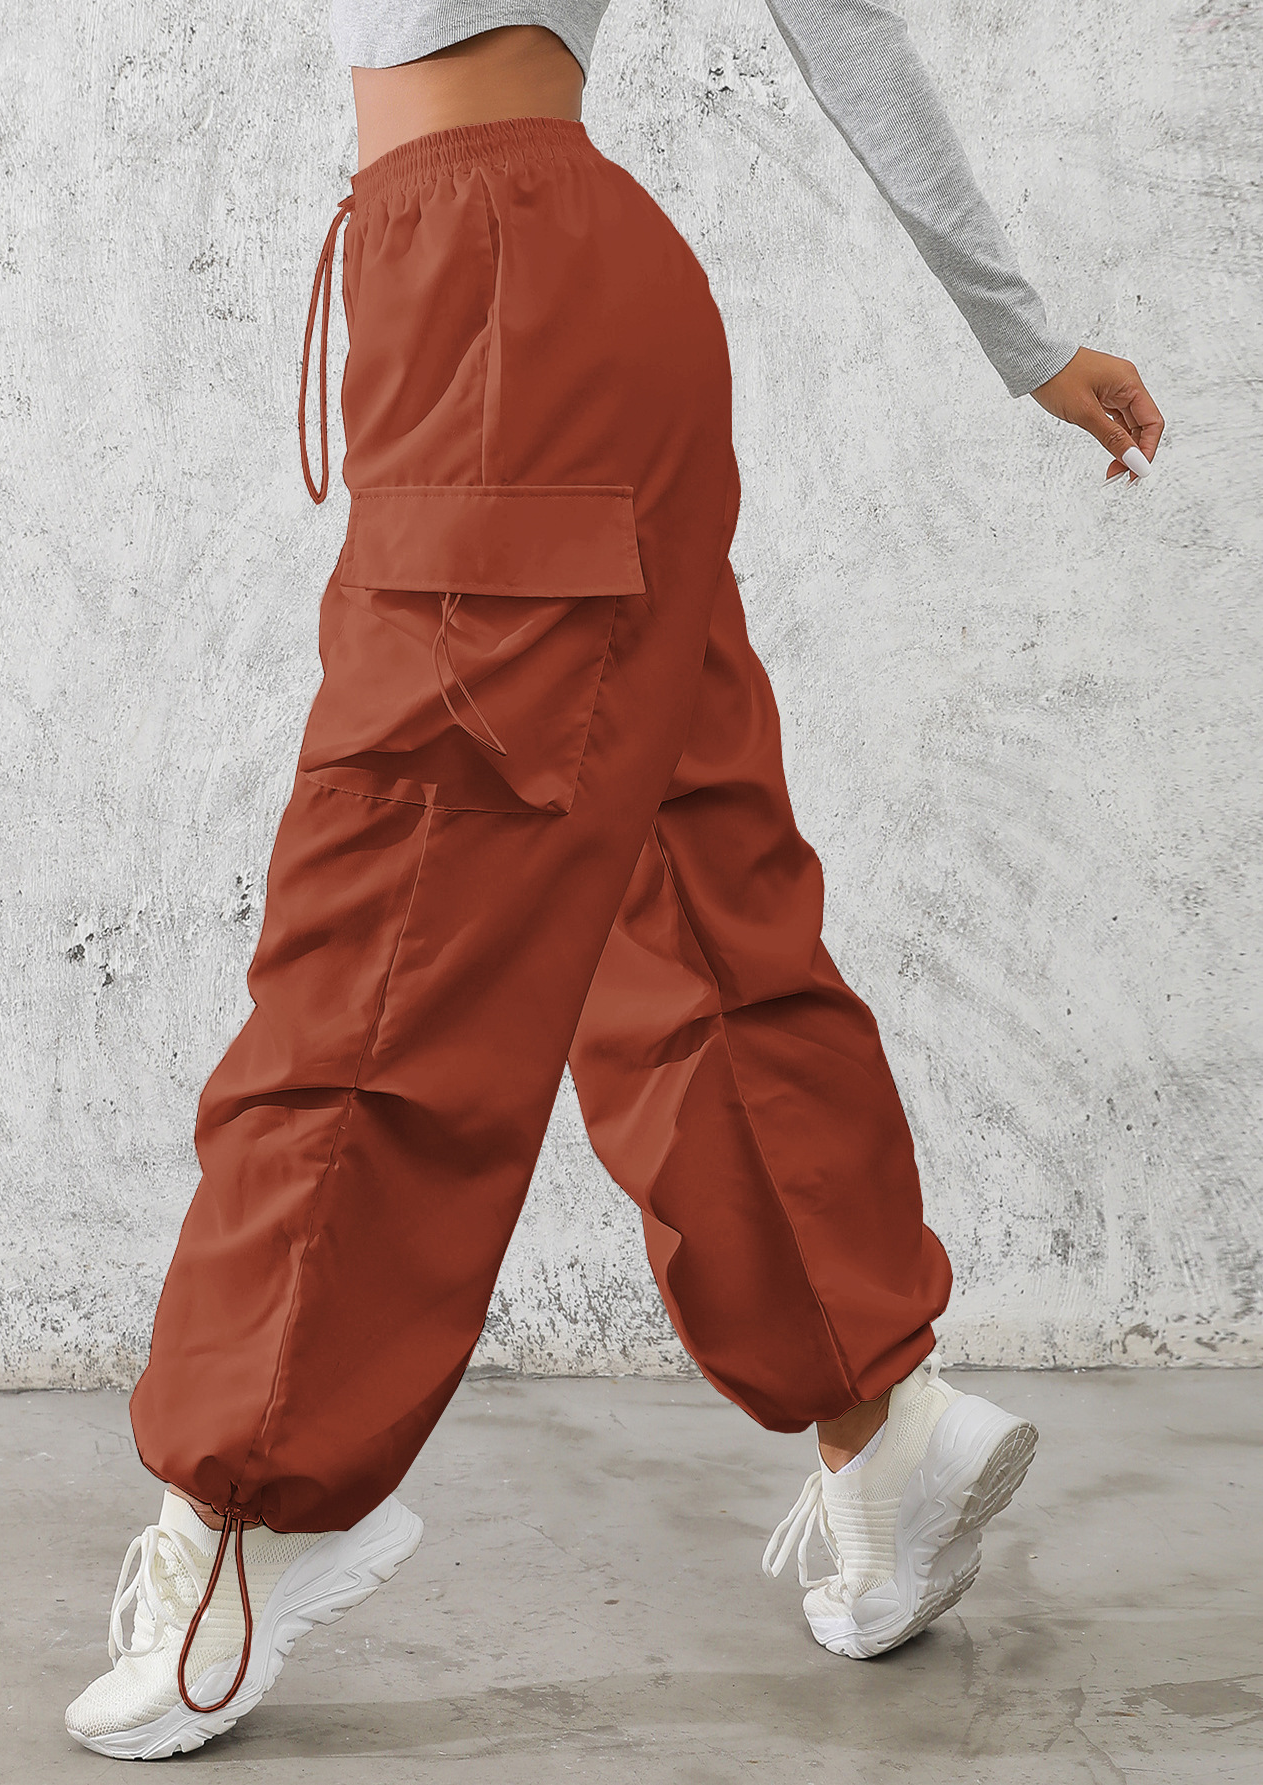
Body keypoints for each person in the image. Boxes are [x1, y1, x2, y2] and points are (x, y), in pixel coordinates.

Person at [64, 7, 1164, 1761]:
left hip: (510, 297)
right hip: (508, 294)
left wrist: (1023, 334)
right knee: (685, 880)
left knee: (393, 897)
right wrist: (1022, 334)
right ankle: (881, 1422)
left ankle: (250, 1506)